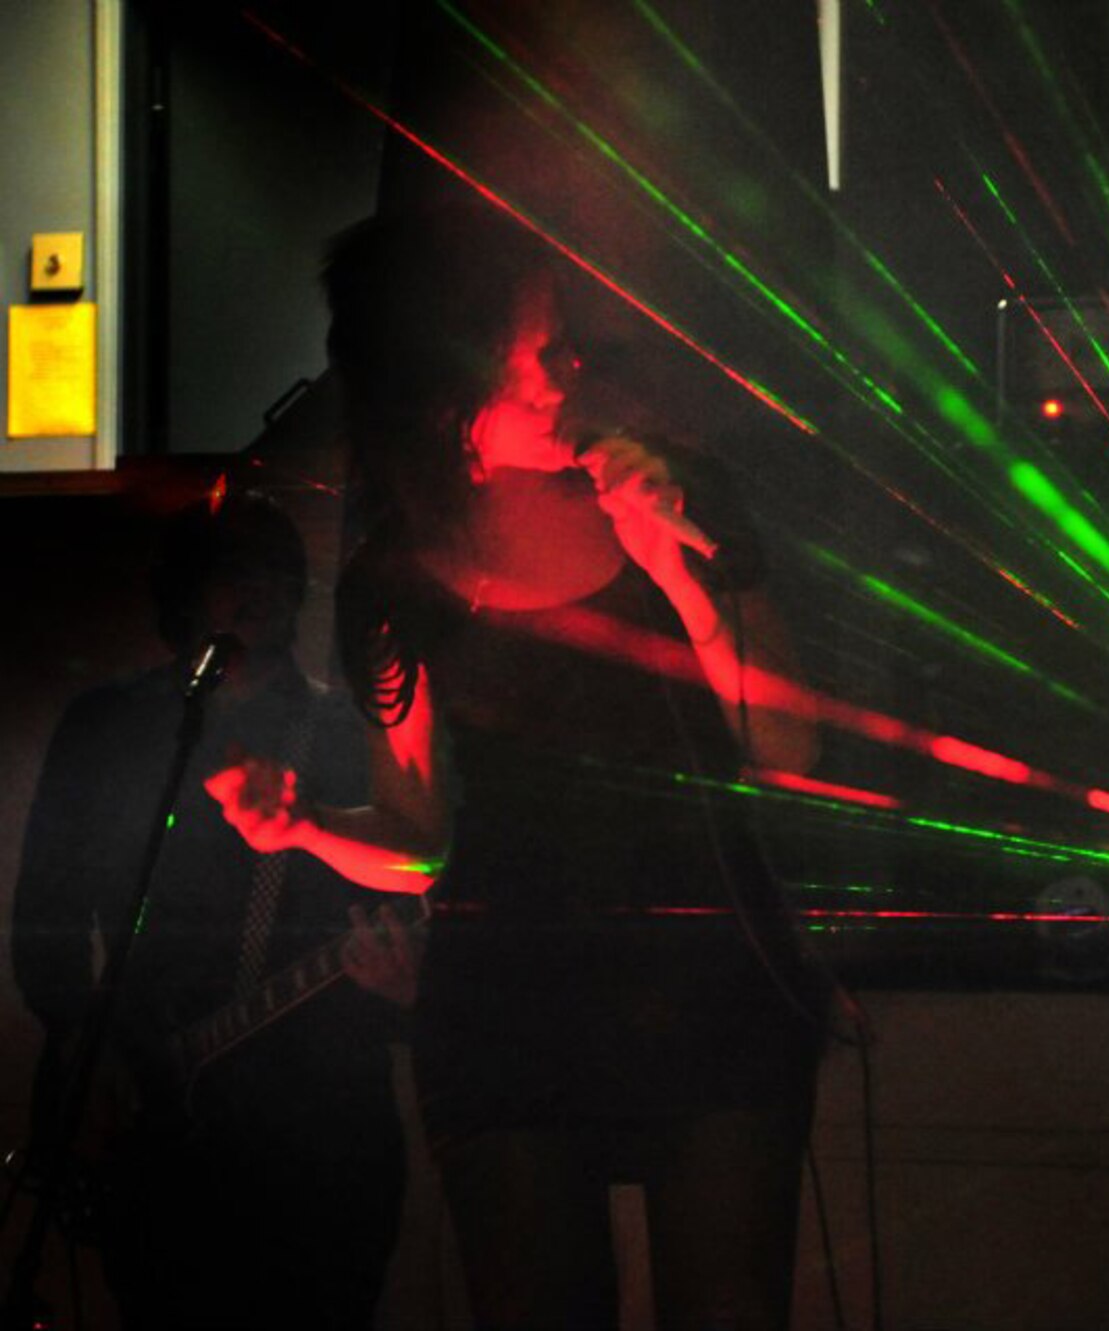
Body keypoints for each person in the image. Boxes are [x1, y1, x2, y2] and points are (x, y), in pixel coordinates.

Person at [206, 208, 829, 1329]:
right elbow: (421, 837)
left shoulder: (675, 488)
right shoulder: (396, 582)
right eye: (545, 346)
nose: (573, 364)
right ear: (458, 377)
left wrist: (679, 579)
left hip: (707, 990)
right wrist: (298, 828)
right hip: (509, 1010)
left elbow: (788, 746)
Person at [11, 488, 416, 1329]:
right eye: (234, 568)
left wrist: (403, 982)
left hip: (319, 1131)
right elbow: (46, 918)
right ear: (186, 588)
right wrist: (89, 1045)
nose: (256, 587)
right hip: (154, 1127)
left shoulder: (344, 732)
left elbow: (403, 901)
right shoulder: (109, 726)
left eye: (276, 568)